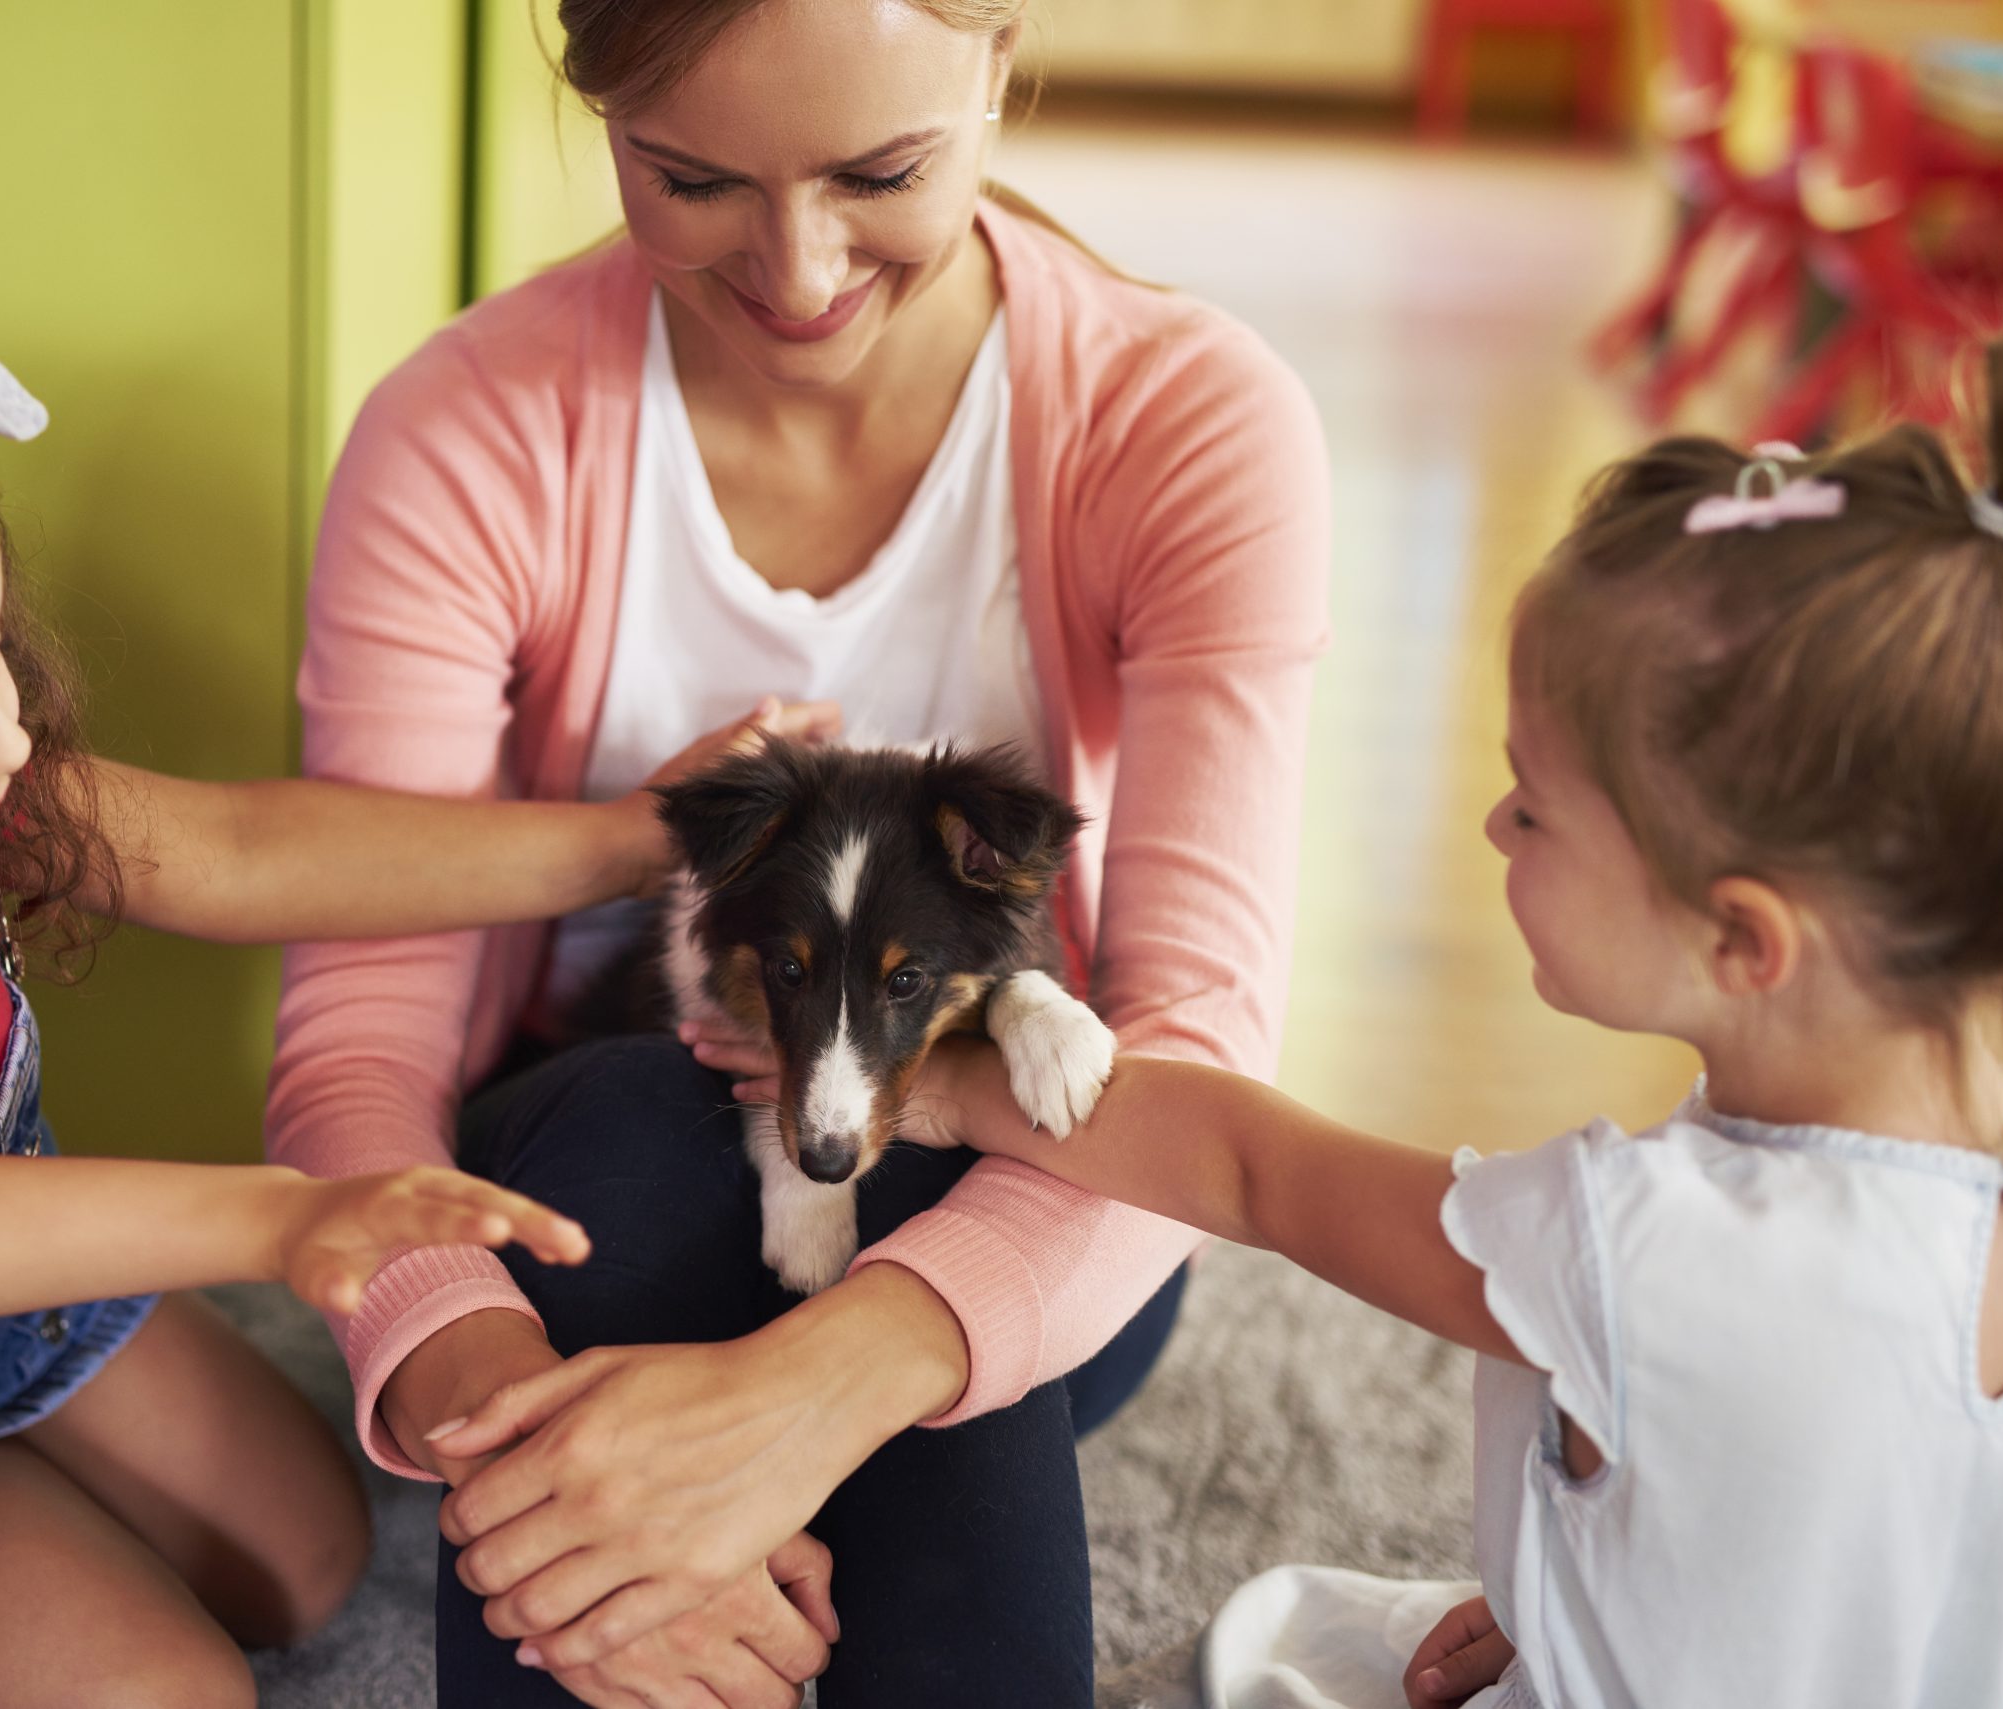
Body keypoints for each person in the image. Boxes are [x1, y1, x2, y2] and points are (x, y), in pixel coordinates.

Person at [0, 289, 787, 1707]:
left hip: (19, 1293)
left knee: (310, 1562)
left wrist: (623, 837)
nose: (1, 739)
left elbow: (251, 849)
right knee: (181, 1695)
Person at [272, 1, 1329, 1701]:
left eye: (882, 172)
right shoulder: (467, 431)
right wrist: (505, 1435)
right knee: (632, 1122)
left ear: (1001, 56)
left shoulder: (1184, 421)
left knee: (921, 1135)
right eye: (689, 179)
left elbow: (1197, 1043)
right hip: (585, 1182)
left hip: (1025, 1198)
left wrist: (825, 1383)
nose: (798, 271)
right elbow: (356, 1055)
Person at [725, 384, 2003, 1707]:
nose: (1496, 826)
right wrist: (1581, 1600)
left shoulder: (1627, 1241)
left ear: (1744, 939)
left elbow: (1247, 1168)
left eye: (1539, 807)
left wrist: (946, 1082)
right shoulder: (1978, 1226)